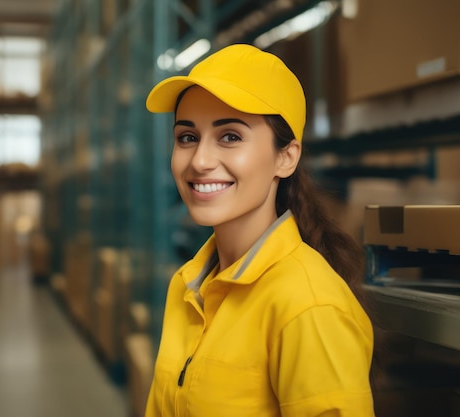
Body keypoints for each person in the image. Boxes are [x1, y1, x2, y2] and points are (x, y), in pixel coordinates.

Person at [144, 43, 375, 416]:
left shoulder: (308, 306)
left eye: (230, 136)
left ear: (286, 157)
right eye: (187, 137)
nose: (200, 161)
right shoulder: (187, 286)